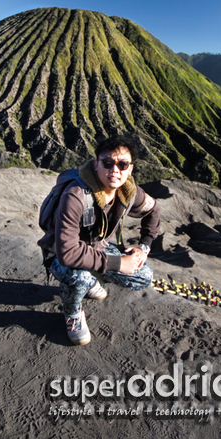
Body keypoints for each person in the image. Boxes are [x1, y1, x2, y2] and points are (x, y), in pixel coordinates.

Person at [39, 134, 160, 345]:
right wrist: (118, 263)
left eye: (122, 164)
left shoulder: (129, 192)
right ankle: (73, 312)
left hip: (97, 249)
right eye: (107, 163)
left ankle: (92, 278)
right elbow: (68, 252)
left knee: (143, 276)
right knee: (79, 276)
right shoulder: (76, 195)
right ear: (96, 165)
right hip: (59, 254)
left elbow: (153, 209)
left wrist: (144, 246)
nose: (115, 170)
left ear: (130, 169)